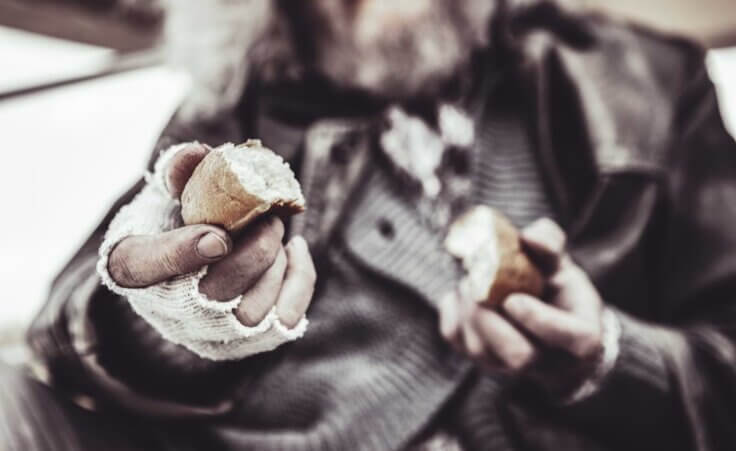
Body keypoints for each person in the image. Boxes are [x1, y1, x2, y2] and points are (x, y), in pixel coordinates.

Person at [4, 0, 736, 449]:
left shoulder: (647, 80)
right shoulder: (236, 106)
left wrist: (606, 356)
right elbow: (73, 329)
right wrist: (176, 318)